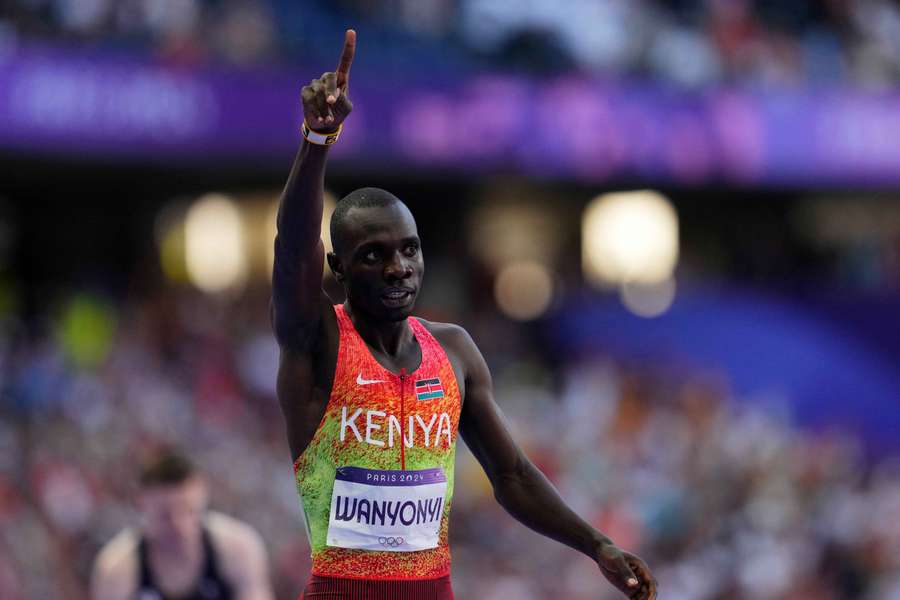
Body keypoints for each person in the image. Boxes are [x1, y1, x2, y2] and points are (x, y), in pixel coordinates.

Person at [272, 29, 658, 600]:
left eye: (410, 249)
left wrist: (596, 544)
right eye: (373, 256)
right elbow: (291, 249)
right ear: (339, 268)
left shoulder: (452, 351)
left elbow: (513, 476)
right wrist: (317, 141)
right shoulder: (318, 340)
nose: (399, 267)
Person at [90, 448, 274, 600]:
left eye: (189, 511)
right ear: (141, 505)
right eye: (165, 515)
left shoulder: (238, 548)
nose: (179, 526)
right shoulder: (117, 570)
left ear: (203, 498)